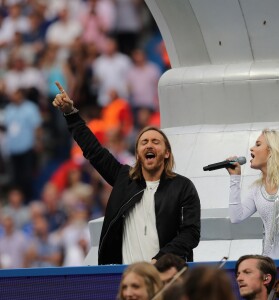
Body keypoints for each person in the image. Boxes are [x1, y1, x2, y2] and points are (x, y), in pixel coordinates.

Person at [52, 81, 201, 265]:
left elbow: (191, 233)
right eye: (144, 142)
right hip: (125, 278)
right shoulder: (125, 179)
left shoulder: (182, 186)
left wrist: (161, 259)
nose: (149, 145)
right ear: (138, 154)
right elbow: (94, 151)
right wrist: (70, 114)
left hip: (166, 276)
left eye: (156, 141)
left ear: (167, 153)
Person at [226, 129, 279, 258]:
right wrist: (235, 179)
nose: (251, 148)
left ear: (272, 151)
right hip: (271, 263)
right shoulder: (257, 189)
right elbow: (236, 217)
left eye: (258, 144)